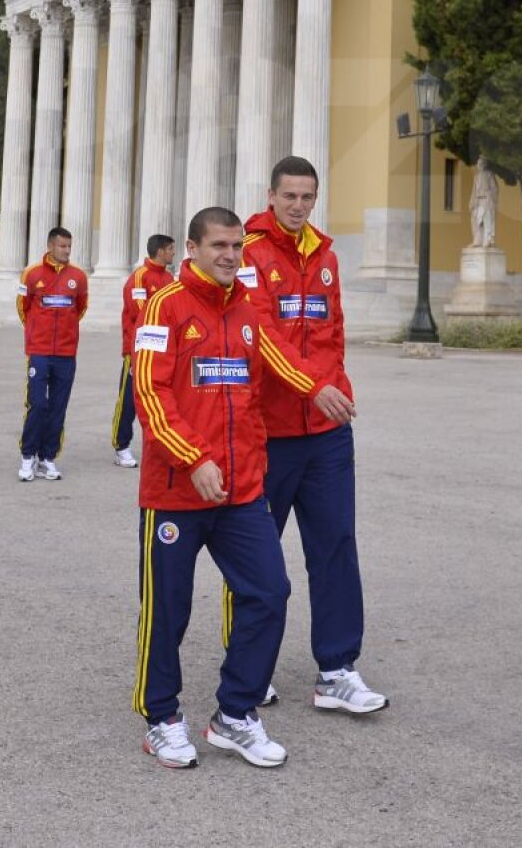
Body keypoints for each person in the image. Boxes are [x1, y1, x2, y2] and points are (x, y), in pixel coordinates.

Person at [131, 206, 290, 770]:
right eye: (218, 245)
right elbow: (151, 395)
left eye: (236, 246)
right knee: (168, 611)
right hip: (176, 492)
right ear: (192, 249)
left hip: (242, 491)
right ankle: (162, 719)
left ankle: (235, 714)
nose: (229, 255)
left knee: (269, 593)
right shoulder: (164, 307)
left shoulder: (248, 312)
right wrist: (193, 458)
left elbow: (253, 397)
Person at [234, 155, 387, 714]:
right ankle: (249, 667)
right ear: (270, 195)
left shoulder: (325, 255)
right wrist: (310, 386)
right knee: (257, 556)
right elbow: (261, 334)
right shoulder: (248, 253)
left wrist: (336, 387)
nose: (298, 207)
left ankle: (338, 669)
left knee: (336, 548)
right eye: (289, 196)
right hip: (269, 432)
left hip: (326, 430)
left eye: (307, 197)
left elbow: (334, 331)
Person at [16, 226, 88, 482]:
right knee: (37, 404)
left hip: (67, 353)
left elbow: (80, 308)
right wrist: (38, 332)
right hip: (40, 352)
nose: (67, 251)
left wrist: (65, 334)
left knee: (58, 407)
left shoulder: (78, 277)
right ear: (50, 246)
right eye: (62, 246)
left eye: (69, 247)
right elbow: (23, 308)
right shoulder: (31, 274)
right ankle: (28, 456)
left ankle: (48, 456)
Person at [113, 234, 176, 468]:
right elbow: (140, 313)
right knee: (128, 400)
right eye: (170, 249)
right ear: (160, 251)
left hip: (164, 351)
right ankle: (121, 446)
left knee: (161, 399)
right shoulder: (139, 278)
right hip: (137, 351)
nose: (173, 253)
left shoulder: (169, 278)